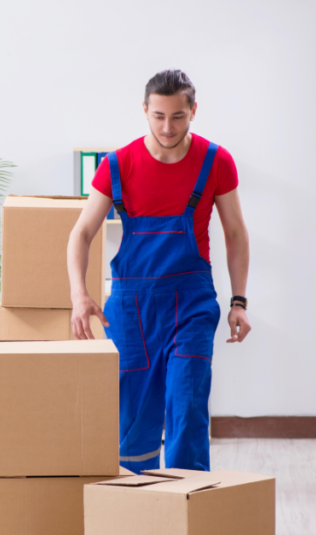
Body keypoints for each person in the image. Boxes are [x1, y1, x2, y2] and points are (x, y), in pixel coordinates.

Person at [66, 69, 251, 473]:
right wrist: (79, 295)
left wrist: (239, 301)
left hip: (192, 304)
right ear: (145, 111)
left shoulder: (215, 161)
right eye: (159, 116)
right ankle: (137, 513)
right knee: (133, 423)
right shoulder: (116, 166)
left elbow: (235, 233)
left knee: (186, 406)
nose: (168, 127)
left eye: (178, 117)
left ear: (193, 111)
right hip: (132, 312)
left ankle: (186, 509)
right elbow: (81, 233)